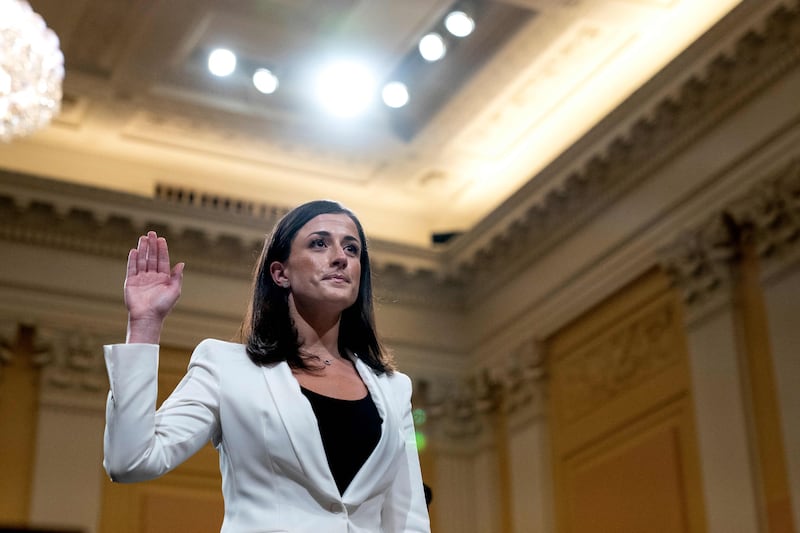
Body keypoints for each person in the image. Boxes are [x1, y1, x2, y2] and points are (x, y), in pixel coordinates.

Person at [102, 199, 431, 533]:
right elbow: (130, 461)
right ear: (280, 273)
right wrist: (144, 324)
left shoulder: (394, 388)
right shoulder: (225, 367)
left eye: (352, 248)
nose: (340, 257)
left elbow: (408, 518)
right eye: (319, 243)